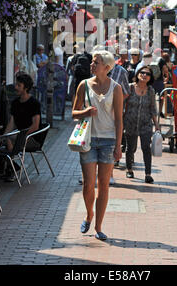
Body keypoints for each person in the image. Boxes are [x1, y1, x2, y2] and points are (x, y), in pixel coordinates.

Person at [72, 50, 123, 241]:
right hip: (88, 141)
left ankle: (98, 226)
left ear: (107, 68)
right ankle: (88, 214)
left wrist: (119, 145)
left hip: (108, 141)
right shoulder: (83, 85)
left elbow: (119, 119)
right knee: (88, 185)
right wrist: (85, 111)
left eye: (96, 63)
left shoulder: (115, 88)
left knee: (104, 185)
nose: (92, 65)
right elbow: (73, 113)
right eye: (92, 62)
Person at [1, 72, 42, 182]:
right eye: (16, 84)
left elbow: (35, 125)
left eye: (19, 85)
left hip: (31, 137)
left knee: (9, 141)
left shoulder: (34, 103)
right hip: (17, 135)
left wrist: (21, 136)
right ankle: (13, 166)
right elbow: (12, 122)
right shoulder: (15, 103)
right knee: (2, 142)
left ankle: (12, 168)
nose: (16, 87)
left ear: (26, 88)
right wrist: (5, 135)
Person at [123, 65, 160, 183]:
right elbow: (121, 104)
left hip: (145, 124)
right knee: (130, 148)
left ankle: (148, 174)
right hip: (130, 123)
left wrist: (157, 125)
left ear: (150, 78)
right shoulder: (130, 88)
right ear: (138, 74)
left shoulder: (151, 91)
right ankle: (129, 169)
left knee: (146, 148)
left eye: (148, 74)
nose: (144, 75)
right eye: (142, 73)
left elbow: (153, 109)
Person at [151, 49, 169, 118]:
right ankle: (160, 111)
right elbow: (165, 69)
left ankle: (152, 111)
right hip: (159, 81)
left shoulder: (151, 59)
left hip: (151, 81)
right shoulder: (161, 60)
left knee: (151, 96)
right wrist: (166, 77)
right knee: (162, 96)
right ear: (160, 53)